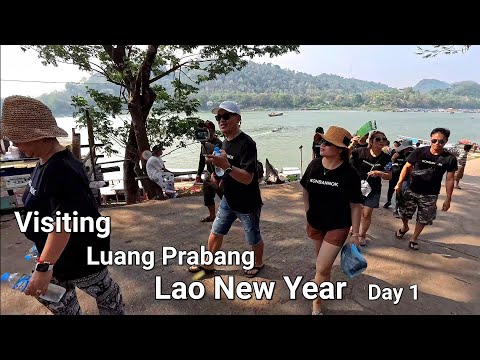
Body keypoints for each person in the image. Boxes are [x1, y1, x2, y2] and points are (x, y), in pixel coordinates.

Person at [1, 95, 125, 315]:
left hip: (78, 254)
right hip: (53, 252)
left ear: (40, 137)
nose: (15, 145)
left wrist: (44, 266)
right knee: (56, 299)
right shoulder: (43, 161)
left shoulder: (63, 169)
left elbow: (64, 223)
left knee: (106, 294)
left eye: (18, 139)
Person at [188, 101, 264, 278]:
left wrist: (227, 166)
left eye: (226, 116)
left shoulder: (247, 144)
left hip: (247, 202)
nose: (221, 120)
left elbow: (248, 178)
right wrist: (218, 175)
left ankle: (259, 263)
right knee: (216, 231)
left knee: (253, 236)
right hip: (228, 199)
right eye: (218, 117)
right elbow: (224, 169)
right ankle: (208, 264)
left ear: (238, 119)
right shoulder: (224, 143)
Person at [300, 126, 363, 315]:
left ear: (340, 150)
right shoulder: (315, 165)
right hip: (315, 223)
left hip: (338, 225)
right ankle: (323, 288)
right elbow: (305, 188)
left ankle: (316, 303)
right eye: (322, 141)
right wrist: (307, 210)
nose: (322, 145)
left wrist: (356, 234)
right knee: (323, 266)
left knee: (320, 266)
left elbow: (356, 205)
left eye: (328, 143)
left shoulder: (350, 173)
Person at [394, 128, 458, 250]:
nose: (437, 144)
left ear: (446, 142)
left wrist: (448, 199)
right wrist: (399, 183)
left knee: (423, 218)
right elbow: (406, 167)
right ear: (430, 139)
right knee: (403, 212)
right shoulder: (419, 152)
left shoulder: (449, 159)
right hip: (412, 189)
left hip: (430, 194)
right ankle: (405, 227)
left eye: (441, 141)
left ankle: (414, 237)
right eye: (434, 140)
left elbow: (450, 179)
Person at [350, 130, 392, 245]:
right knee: (355, 210)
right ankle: (354, 230)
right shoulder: (360, 152)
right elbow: (343, 157)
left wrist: (380, 173)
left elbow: (389, 176)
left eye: (384, 139)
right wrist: (352, 144)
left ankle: (362, 235)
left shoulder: (386, 158)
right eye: (378, 139)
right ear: (371, 141)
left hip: (373, 189)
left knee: (367, 213)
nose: (382, 141)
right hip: (356, 187)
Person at [195, 120, 224, 222]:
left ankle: (235, 214)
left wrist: (219, 176)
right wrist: (199, 173)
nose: (204, 131)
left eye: (206, 129)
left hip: (218, 173)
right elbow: (201, 160)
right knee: (207, 196)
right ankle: (212, 216)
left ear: (212, 130)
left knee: (223, 195)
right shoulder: (203, 143)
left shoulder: (219, 143)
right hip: (208, 173)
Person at [383, 139, 414, 210]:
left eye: (409, 148)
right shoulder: (395, 152)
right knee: (391, 188)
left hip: (404, 175)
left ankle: (397, 206)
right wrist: (393, 159)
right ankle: (388, 201)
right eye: (406, 148)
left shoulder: (410, 154)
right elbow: (387, 164)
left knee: (401, 190)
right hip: (394, 173)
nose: (408, 149)